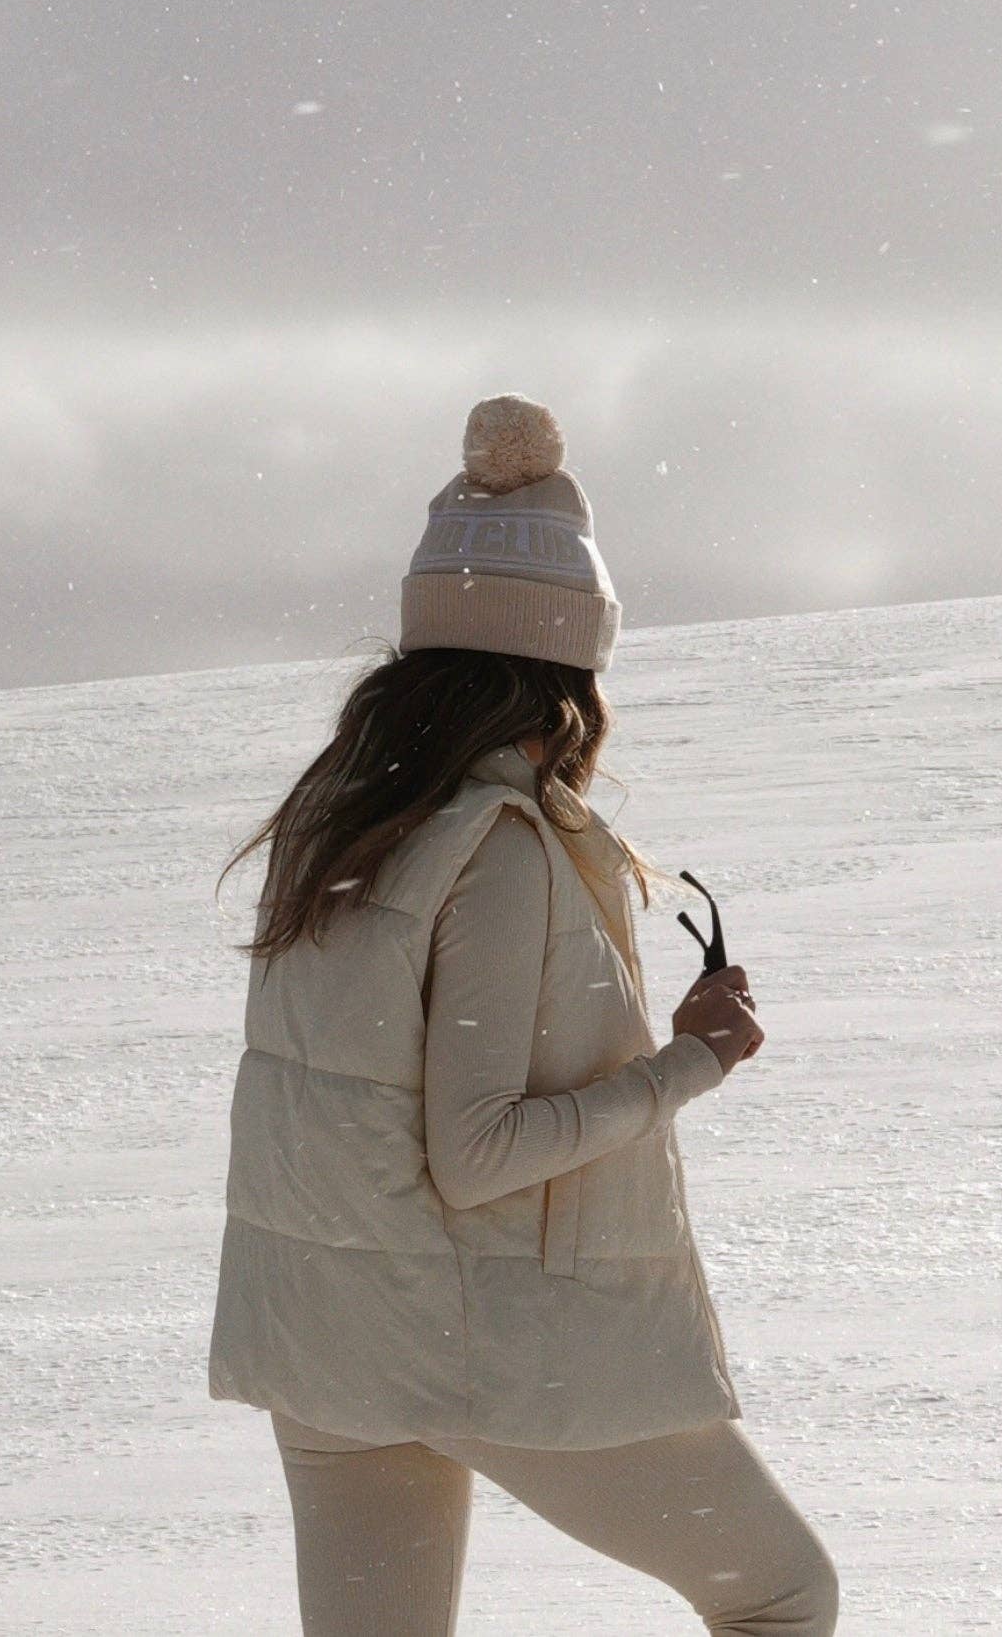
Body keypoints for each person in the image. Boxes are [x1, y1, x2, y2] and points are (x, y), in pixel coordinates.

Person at [207, 394, 839, 1634]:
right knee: (780, 1595)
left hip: (332, 1346)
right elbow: (480, 1148)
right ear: (566, 666)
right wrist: (689, 1063)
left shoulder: (340, 829)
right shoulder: (491, 849)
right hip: (472, 1342)